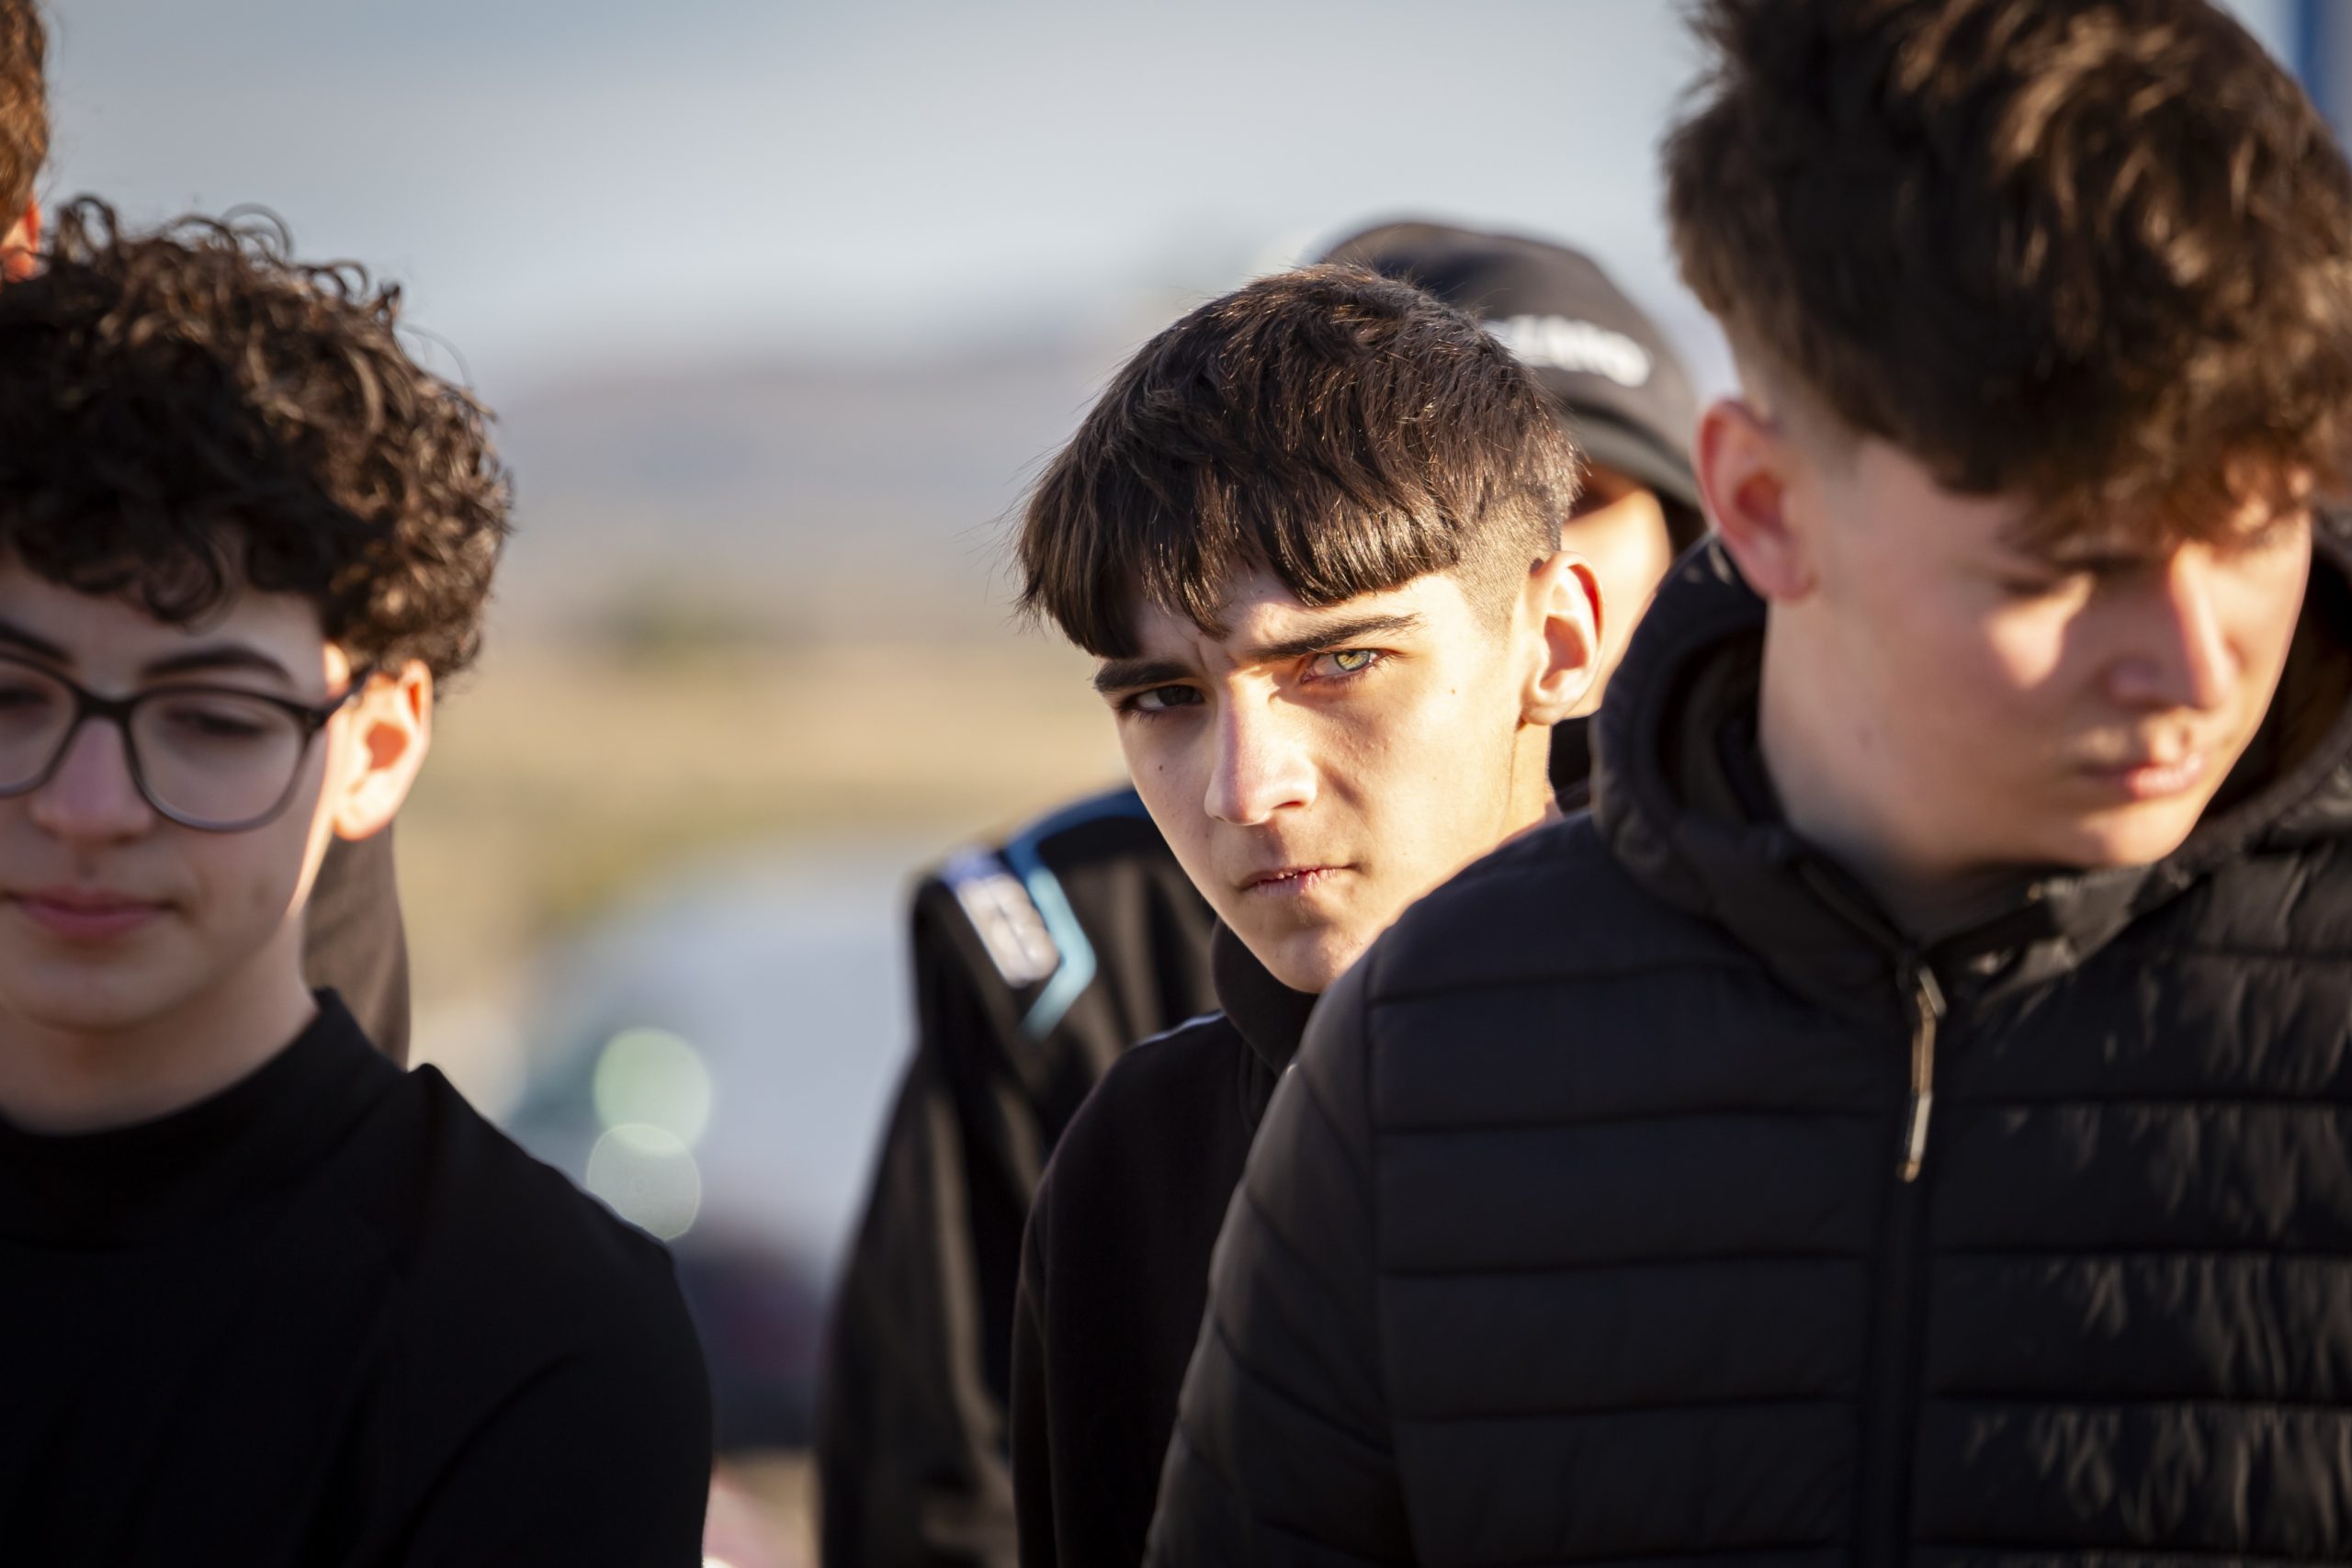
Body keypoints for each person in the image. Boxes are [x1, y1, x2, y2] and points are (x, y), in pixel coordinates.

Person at [1146, 0, 2352, 1562]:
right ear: (1765, 503)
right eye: (2067, 570)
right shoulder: (1425, 1057)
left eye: (2257, 529)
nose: (2192, 661)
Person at [816, 221, 1702, 1568]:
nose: (1244, 788)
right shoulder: (1130, 1166)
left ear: (1559, 641)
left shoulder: (1780, 1094)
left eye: (1338, 665)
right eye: (1166, 698)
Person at [0, 201, 712, 1563]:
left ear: (376, 751)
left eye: (211, 722)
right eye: (10, 698)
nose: (85, 809)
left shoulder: (533, 1333)